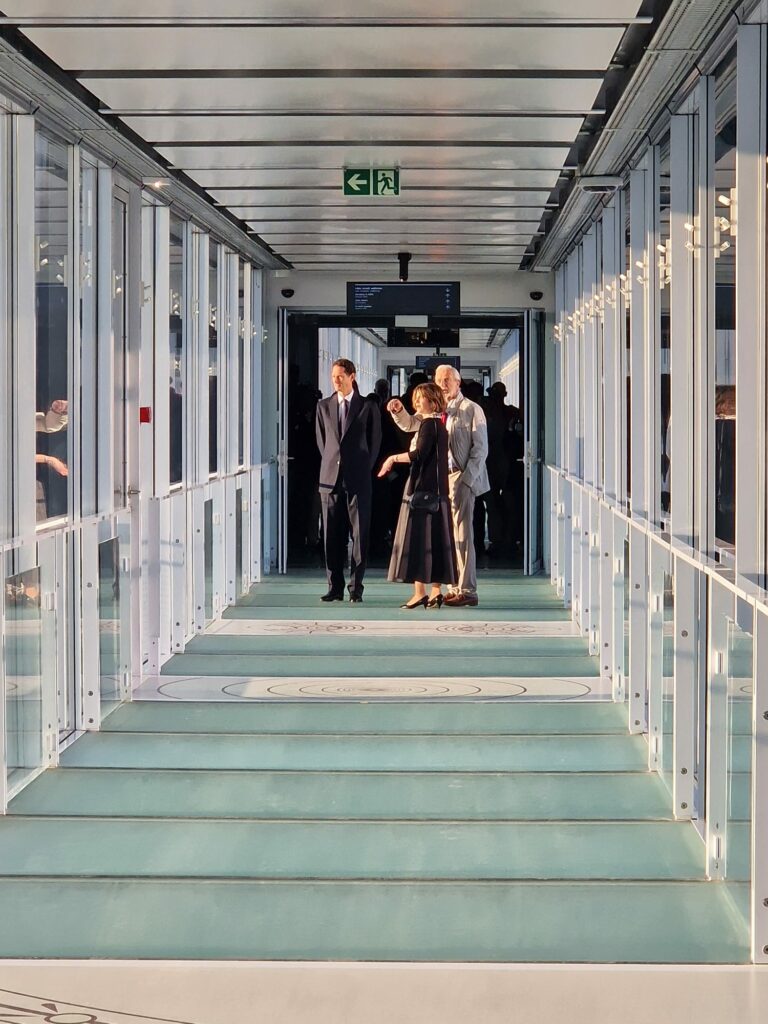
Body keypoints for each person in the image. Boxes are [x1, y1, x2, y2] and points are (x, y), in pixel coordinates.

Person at [389, 364, 488, 607]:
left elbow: (480, 449)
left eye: (448, 380)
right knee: (445, 535)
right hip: (437, 480)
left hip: (460, 477)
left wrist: (467, 480)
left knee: (462, 534)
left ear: (458, 382)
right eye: (440, 379)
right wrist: (398, 411)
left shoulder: (471, 410)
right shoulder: (434, 412)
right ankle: (451, 587)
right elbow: (411, 424)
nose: (443, 384)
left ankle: (467, 589)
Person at [379, 383, 456, 608]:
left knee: (418, 540)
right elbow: (409, 425)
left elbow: (419, 454)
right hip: (436, 490)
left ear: (432, 401)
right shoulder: (436, 423)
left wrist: (392, 459)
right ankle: (434, 592)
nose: (416, 402)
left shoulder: (429, 424)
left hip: (423, 488)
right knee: (435, 540)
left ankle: (420, 592)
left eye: (421, 398)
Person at [316, 358, 381, 602]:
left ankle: (356, 588)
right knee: (331, 535)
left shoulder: (367, 407)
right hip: (330, 480)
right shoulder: (323, 406)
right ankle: (334, 587)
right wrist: (335, 465)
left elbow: (374, 442)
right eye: (333, 376)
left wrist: (363, 468)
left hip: (359, 479)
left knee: (359, 536)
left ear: (352, 376)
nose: (336, 380)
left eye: (340, 376)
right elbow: (323, 443)